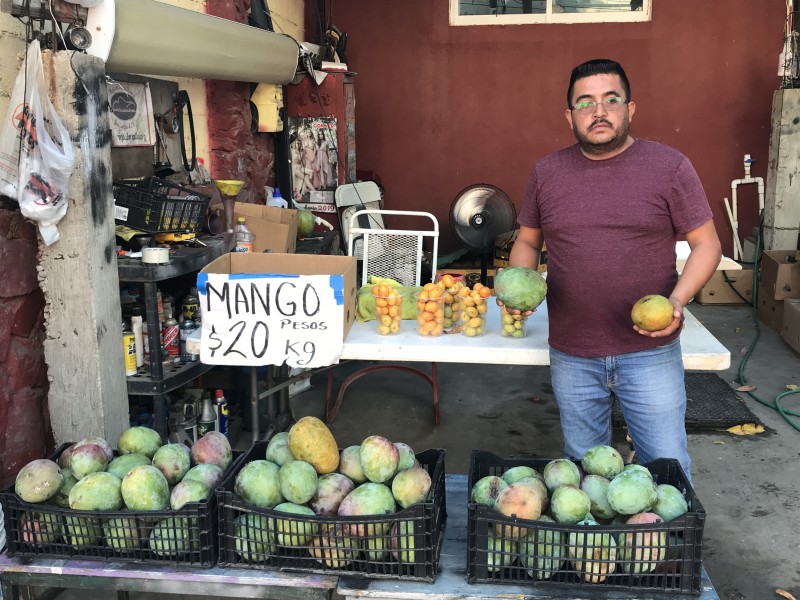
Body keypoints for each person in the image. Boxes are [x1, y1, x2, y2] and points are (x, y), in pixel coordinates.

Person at [506, 58, 722, 480]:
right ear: (569, 115)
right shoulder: (547, 172)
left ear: (630, 108)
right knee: (587, 472)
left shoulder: (669, 167)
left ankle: (667, 544)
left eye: (610, 99)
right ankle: (599, 545)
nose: (598, 111)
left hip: (650, 351)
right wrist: (522, 290)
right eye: (584, 102)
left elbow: (706, 244)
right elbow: (528, 241)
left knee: (666, 466)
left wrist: (677, 302)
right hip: (572, 350)